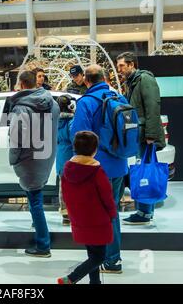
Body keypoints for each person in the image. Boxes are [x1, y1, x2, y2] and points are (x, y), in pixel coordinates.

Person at [70, 64, 128, 274]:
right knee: (112, 211)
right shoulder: (119, 98)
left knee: (99, 214)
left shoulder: (86, 102)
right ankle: (112, 257)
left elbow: (79, 136)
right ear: (104, 78)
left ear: (86, 81)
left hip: (97, 168)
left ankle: (108, 259)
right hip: (120, 164)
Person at [9, 70, 59, 258]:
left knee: (35, 203)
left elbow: (16, 138)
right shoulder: (52, 103)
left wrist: (14, 159)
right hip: (46, 157)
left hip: (28, 159)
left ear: (21, 84)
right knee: (36, 199)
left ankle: (43, 245)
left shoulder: (21, 107)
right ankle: (42, 242)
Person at [57, 131, 117, 284]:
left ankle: (95, 282)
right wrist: (112, 214)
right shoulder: (97, 171)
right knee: (99, 257)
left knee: (92, 255)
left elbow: (65, 195)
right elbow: (107, 196)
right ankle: (71, 278)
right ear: (95, 149)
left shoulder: (67, 170)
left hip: (79, 219)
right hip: (98, 220)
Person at [116, 52, 165, 225]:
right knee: (143, 172)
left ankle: (144, 213)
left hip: (146, 136)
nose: (119, 69)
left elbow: (153, 107)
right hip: (139, 134)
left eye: (122, 65)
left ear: (131, 64)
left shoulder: (145, 79)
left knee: (144, 172)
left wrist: (151, 135)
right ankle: (145, 211)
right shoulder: (132, 81)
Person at [55, 95, 74, 226]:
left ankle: (65, 215)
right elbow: (74, 138)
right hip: (70, 155)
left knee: (63, 186)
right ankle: (73, 214)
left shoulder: (55, 121)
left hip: (60, 156)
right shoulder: (71, 121)